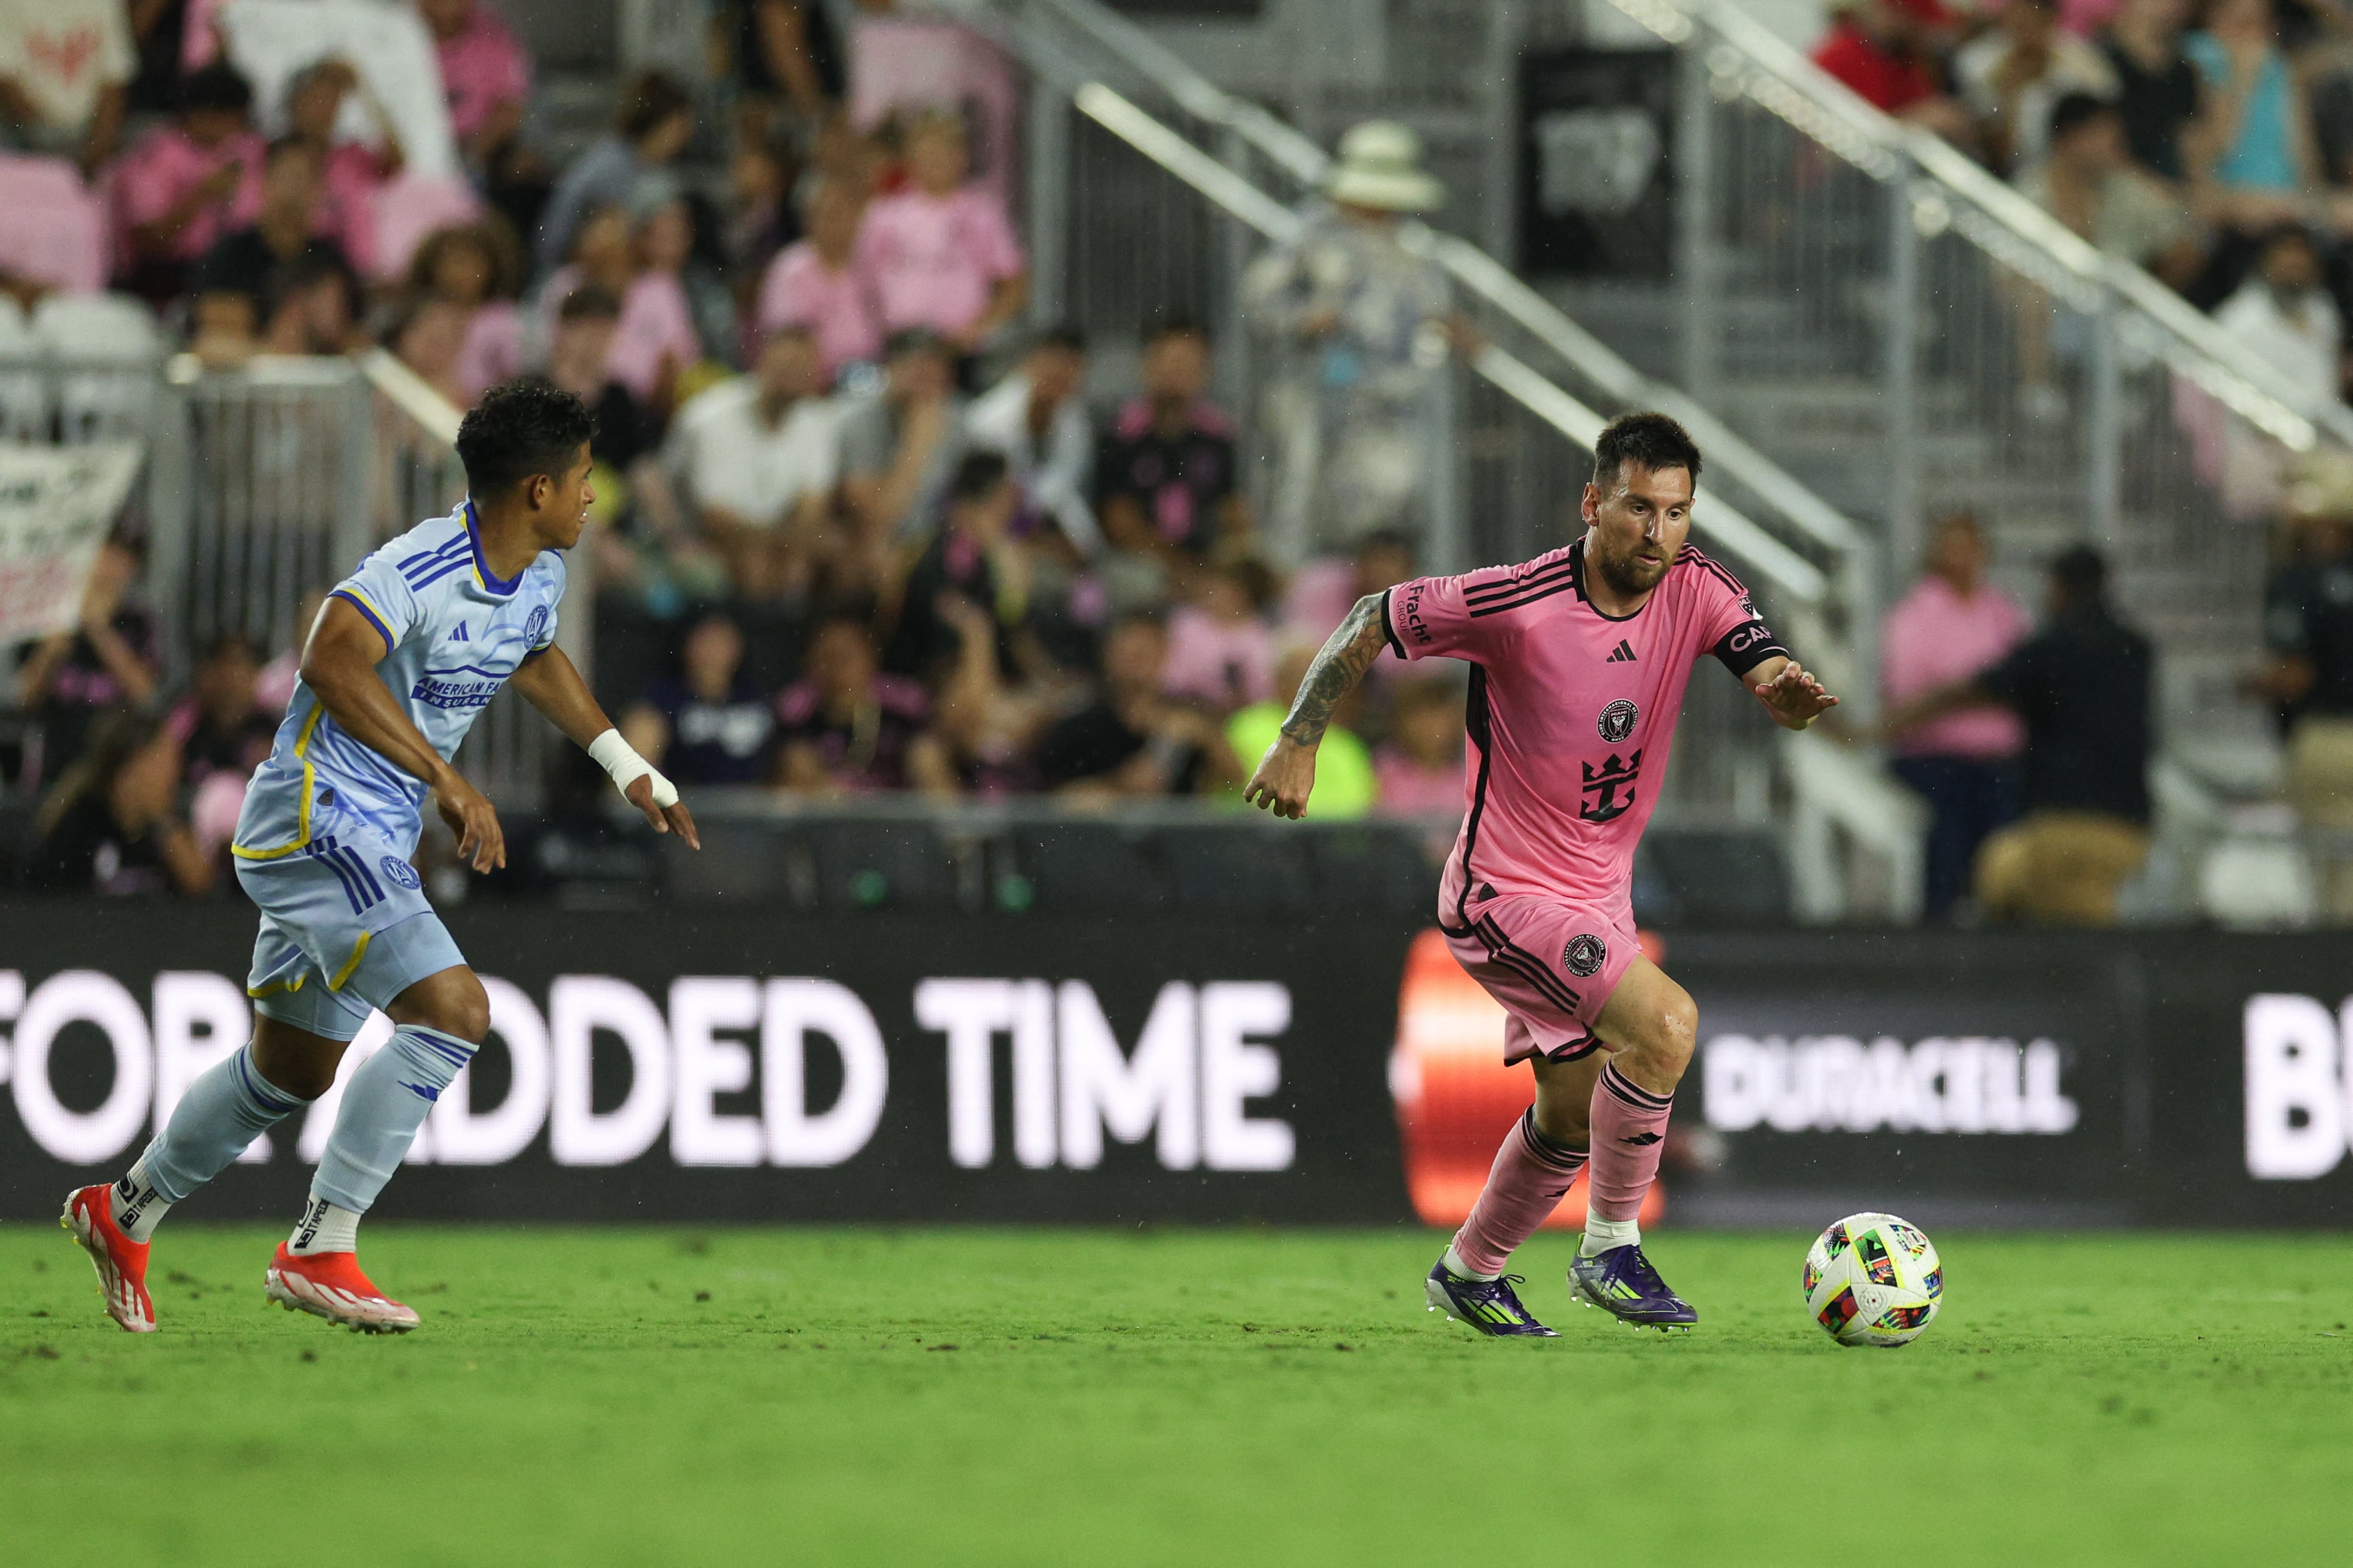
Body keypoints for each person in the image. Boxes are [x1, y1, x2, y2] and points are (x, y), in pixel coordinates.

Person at [63, 378, 702, 1336]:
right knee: (455, 1011)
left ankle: (124, 1212)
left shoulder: (538, 574)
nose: (591, 498)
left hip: (369, 828)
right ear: (537, 489)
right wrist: (446, 780)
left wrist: (624, 765)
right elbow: (330, 656)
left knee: (290, 1071)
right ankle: (322, 1244)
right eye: (580, 481)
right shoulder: (421, 562)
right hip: (319, 816)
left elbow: (532, 656)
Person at [1243, 413, 1837, 1333]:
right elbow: (1371, 618)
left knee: (1568, 1112)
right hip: (1503, 894)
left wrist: (1784, 694)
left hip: (1598, 896)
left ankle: (1470, 1271)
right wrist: (1298, 737)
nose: (1656, 532)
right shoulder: (1516, 601)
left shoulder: (1697, 587)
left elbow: (1759, 663)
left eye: (1676, 513)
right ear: (1593, 502)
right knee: (1668, 1026)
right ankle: (1610, 1250)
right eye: (1639, 508)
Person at [1879, 544, 2152, 926]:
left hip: (2062, 826)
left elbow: (1970, 691)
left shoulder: (2051, 650)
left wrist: (1886, 724)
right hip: (2129, 827)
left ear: (2059, 589)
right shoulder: (2135, 649)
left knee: (2005, 880)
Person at [1242, 120, 1463, 561]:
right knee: (1302, 500)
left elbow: (1432, 309)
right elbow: (1259, 300)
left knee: (1390, 505)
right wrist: (1306, 319)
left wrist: (1451, 329)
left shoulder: (1410, 246)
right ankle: (1294, 600)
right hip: (1316, 393)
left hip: (1391, 401)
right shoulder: (1310, 234)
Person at [1879, 513, 2030, 920]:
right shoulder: (1916, 615)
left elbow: (2025, 681)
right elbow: (1910, 691)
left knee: (2007, 851)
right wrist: (1977, 694)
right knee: (1947, 841)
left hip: (1998, 762)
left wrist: (1964, 691)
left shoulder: (2000, 611)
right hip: (1936, 759)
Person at [665, 325, 842, 598]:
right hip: (689, 536)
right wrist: (774, 546)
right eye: (786, 367)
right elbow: (716, 517)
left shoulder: (816, 422)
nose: (792, 377)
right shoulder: (711, 416)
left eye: (802, 368)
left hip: (771, 541)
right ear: (761, 363)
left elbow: (812, 506)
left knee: (828, 556)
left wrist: (786, 548)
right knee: (753, 562)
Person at [2247, 466, 2353, 919]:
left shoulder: (2303, 580)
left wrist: (2248, 684)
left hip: (2330, 735)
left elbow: (2295, 675)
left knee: (2335, 876)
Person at [854, 107, 1026, 354]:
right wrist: (879, 329)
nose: (935, 159)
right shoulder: (884, 214)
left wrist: (980, 327)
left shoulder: (982, 211)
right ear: (910, 157)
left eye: (944, 150)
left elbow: (1015, 283)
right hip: (901, 346)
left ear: (961, 155)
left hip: (963, 348)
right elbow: (863, 280)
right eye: (927, 151)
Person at [1095, 320, 1249, 589]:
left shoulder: (1218, 436)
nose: (1178, 371)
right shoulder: (1121, 434)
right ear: (1147, 364)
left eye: (1190, 362)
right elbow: (1120, 524)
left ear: (1206, 371)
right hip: (1139, 562)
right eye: (1170, 360)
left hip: (1202, 564)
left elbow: (1231, 510)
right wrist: (1177, 567)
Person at [1035, 611, 1241, 798]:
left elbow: (1238, 779)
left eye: (1147, 652)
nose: (1138, 663)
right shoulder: (1080, 725)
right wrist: (1117, 786)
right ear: (1110, 654)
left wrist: (1206, 737)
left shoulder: (1189, 713)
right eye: (1130, 653)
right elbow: (1053, 796)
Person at [112, 63, 261, 304]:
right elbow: (149, 243)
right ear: (192, 113)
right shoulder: (156, 155)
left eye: (233, 118)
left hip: (236, 273)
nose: (223, 127)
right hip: (170, 276)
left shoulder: (249, 149)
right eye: (214, 116)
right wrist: (202, 195)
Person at [22, 709, 213, 897]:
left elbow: (199, 893)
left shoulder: (167, 832)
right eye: (163, 763)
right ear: (129, 767)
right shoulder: (78, 826)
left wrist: (163, 823)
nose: (174, 774)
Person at [14, 536, 162, 778]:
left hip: (115, 768)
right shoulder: (50, 615)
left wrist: (99, 629)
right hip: (53, 766)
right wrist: (52, 650)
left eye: (124, 559)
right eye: (107, 554)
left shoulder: (138, 622)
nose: (113, 567)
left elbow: (146, 696)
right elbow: (25, 698)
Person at [190, 137, 351, 358]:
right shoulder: (231, 253)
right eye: (287, 177)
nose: (295, 189)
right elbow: (216, 333)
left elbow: (351, 337)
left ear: (319, 189)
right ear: (265, 182)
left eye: (305, 178)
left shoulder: (330, 260)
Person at [534, 70, 695, 279]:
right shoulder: (614, 166)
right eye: (681, 126)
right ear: (665, 123)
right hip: (562, 273)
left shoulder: (636, 163)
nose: (686, 137)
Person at [774, 612, 953, 795]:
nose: (837, 669)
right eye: (828, 657)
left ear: (870, 658)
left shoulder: (904, 704)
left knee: (927, 755)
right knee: (796, 760)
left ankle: (950, 825)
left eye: (846, 658)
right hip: (828, 810)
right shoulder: (796, 710)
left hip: (894, 808)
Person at [964, 326, 1095, 555]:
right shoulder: (987, 421)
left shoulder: (1075, 419)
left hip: (1043, 524)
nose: (1059, 376)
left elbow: (1062, 491)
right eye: (1051, 368)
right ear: (1029, 365)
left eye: (1070, 368)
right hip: (986, 528)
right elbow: (980, 499)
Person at [1955, 0, 2119, 173]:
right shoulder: (1978, 61)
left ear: (2050, 21)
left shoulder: (2076, 60)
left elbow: (2107, 102)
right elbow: (1985, 138)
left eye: (2035, 20)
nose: (2027, 30)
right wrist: (2008, 91)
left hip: (2059, 169)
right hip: (1997, 165)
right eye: (2020, 19)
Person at [621, 611, 777, 787]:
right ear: (685, 645)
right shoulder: (662, 701)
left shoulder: (757, 698)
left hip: (752, 807)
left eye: (723, 643)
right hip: (682, 806)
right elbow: (631, 770)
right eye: (706, 642)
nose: (714, 653)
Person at [1225, 640, 1375, 819]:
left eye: (1317, 674)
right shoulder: (1245, 726)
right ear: (1278, 678)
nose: (1307, 683)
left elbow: (1365, 809)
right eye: (1297, 674)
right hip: (1262, 838)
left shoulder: (1348, 744)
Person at [840, 327, 966, 542]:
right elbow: (878, 517)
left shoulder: (959, 423)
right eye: (916, 365)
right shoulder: (862, 426)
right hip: (885, 542)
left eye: (935, 366)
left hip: (940, 541)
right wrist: (918, 444)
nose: (927, 375)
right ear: (891, 368)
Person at [281, 58, 402, 279]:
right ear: (295, 102)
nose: (323, 108)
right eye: (315, 98)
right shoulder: (272, 155)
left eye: (332, 100)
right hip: (294, 272)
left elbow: (397, 160)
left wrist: (364, 91)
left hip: (356, 274)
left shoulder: (351, 155)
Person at [755, 173, 882, 376]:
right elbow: (786, 337)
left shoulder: (868, 266)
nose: (839, 224)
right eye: (830, 215)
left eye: (846, 214)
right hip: (811, 380)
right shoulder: (791, 268)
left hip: (867, 375)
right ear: (809, 220)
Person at [2214, 226, 2344, 408]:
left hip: (2322, 427)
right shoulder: (2239, 319)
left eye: (2302, 255)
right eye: (2287, 255)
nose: (2296, 263)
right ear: (2266, 261)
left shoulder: (2323, 312)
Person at [0, 0, 131, 173]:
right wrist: (49, 140)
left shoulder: (106, 3)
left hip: (88, 133)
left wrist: (97, 148)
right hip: (26, 134)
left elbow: (115, 81)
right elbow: (6, 83)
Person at [408, 224, 527, 403]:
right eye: (450, 262)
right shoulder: (428, 313)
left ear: (491, 267)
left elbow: (516, 373)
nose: (459, 273)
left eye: (469, 263)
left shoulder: (502, 320)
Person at [2098, 0, 2207, 186]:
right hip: (2115, 181)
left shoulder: (2184, 72)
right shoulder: (2100, 62)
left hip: (2169, 186)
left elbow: (2192, 148)